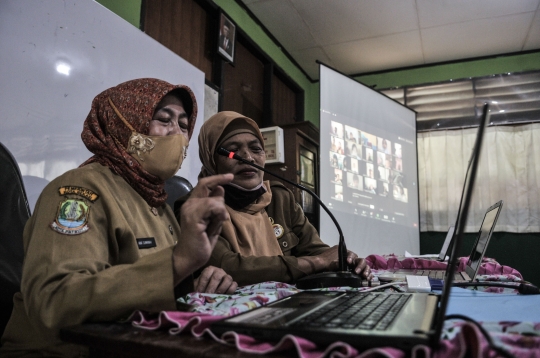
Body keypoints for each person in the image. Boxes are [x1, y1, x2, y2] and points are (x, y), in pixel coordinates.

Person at [0, 78, 237, 356]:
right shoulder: (79, 191)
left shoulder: (157, 200)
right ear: (124, 123)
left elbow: (152, 285)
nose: (176, 134)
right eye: (163, 119)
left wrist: (200, 280)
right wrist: (177, 261)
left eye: (184, 125)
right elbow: (56, 300)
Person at [175, 111, 372, 286]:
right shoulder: (194, 207)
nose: (248, 157)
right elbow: (228, 266)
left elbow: (317, 251)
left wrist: (345, 260)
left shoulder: (280, 198)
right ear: (211, 159)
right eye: (233, 150)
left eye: (256, 148)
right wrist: (315, 263)